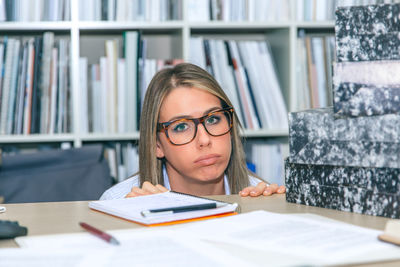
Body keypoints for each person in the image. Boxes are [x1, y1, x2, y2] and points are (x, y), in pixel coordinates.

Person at [100, 63, 285, 200]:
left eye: (213, 119)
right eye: (181, 126)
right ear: (157, 145)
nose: (204, 140)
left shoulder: (261, 197)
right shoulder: (118, 201)